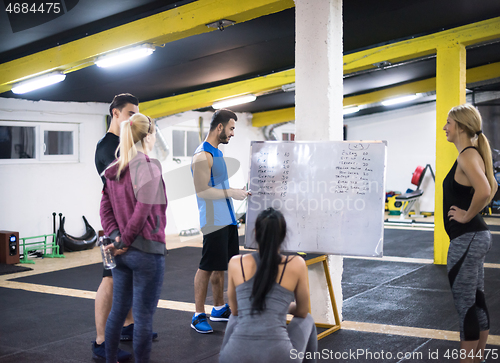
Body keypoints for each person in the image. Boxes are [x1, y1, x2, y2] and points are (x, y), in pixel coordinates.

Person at [100, 113, 167, 363]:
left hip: (122, 254)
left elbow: (104, 210)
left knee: (118, 311)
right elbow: (142, 211)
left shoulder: (112, 171)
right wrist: (124, 241)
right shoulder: (149, 167)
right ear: (148, 136)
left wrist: (117, 239)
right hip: (146, 253)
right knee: (143, 317)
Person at [94, 93, 152, 362]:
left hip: (126, 223)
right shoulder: (109, 148)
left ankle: (128, 325)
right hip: (114, 227)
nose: (134, 119)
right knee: (109, 279)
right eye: (130, 113)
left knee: (126, 277)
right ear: (115, 114)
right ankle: (101, 340)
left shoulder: (123, 145)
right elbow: (119, 188)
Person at [219, 207, 317, 363]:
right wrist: (287, 306)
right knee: (308, 320)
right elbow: (303, 312)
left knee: (233, 318)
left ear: (256, 234)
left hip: (234, 356)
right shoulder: (296, 263)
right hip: (279, 356)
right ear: (283, 235)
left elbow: (236, 310)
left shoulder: (235, 262)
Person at [442, 104, 497, 363]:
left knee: (466, 306)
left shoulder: (466, 155)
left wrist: (466, 215)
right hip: (474, 237)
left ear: (461, 127)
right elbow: (492, 186)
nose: (445, 127)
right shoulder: (472, 154)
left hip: (467, 237)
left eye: (449, 123)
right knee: (475, 300)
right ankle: (478, 359)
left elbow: (485, 190)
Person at [190, 109, 249, 333]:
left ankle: (218, 308)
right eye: (232, 128)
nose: (233, 133)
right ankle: (197, 315)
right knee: (206, 267)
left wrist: (236, 192)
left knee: (220, 266)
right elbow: (202, 191)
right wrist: (231, 192)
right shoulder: (202, 155)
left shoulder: (217, 152)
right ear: (220, 127)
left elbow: (221, 187)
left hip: (228, 218)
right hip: (213, 220)